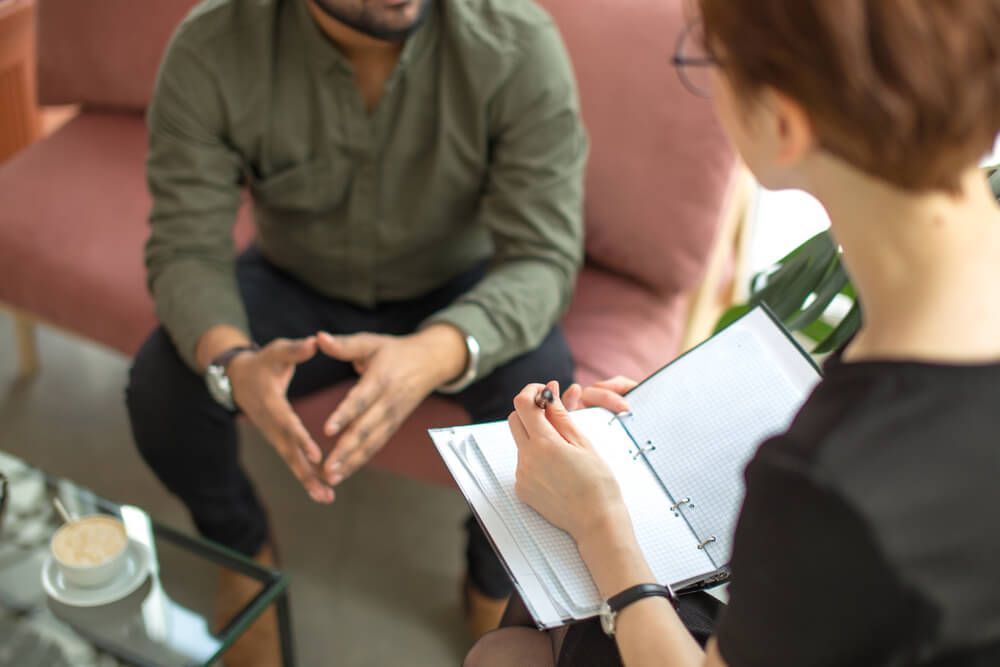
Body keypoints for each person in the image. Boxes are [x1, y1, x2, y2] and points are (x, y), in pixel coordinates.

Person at [466, 0, 1000, 665]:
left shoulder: (831, 480)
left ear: (784, 124)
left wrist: (601, 521)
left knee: (505, 653)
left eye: (708, 59)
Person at [124, 0, 585, 661]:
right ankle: (242, 546)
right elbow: (185, 247)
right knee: (161, 389)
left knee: (545, 391)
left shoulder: (515, 42)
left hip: (457, 288)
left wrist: (434, 350)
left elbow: (543, 255)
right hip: (295, 281)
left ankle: (494, 576)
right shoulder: (214, 47)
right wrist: (232, 360)